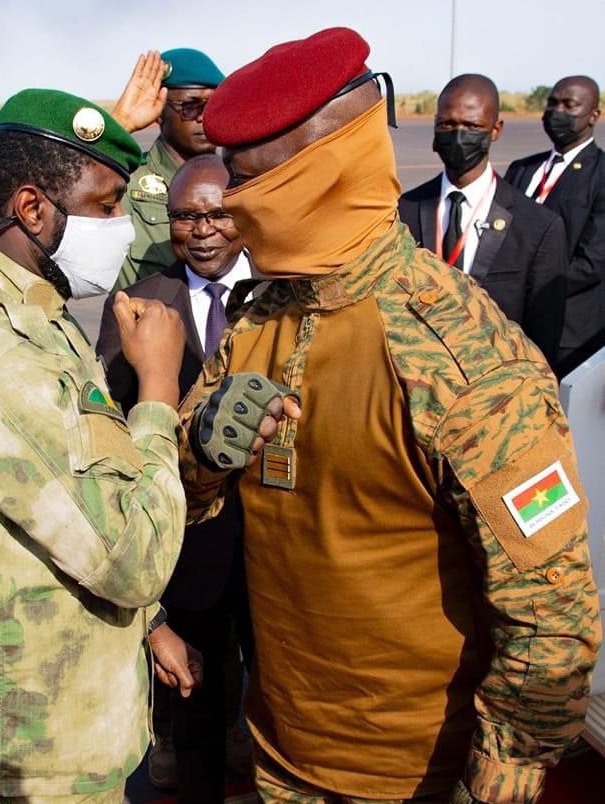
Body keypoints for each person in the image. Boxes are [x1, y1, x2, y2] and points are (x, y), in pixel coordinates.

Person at [176, 27, 601, 804]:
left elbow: (551, 610)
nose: (228, 205)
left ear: (308, 175)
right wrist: (203, 447)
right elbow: (187, 490)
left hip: (411, 778)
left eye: (245, 180)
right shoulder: (261, 319)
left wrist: (500, 777)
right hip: (282, 750)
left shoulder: (457, 354)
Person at [0, 73, 204, 803]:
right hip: (32, 756)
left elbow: (74, 494)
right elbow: (133, 561)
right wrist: (157, 394)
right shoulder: (1, 361)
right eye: (105, 206)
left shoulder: (35, 312)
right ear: (31, 207)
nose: (122, 225)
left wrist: (146, 626)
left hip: (62, 716)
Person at [97, 154, 254, 803]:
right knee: (194, 705)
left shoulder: (287, 293)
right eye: (187, 216)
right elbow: (113, 420)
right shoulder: (139, 304)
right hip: (186, 548)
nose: (203, 229)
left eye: (218, 213)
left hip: (281, 543)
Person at [398, 74, 568, 367]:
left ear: (495, 129)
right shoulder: (403, 212)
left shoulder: (538, 228)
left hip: (492, 398)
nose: (459, 135)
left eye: (472, 126)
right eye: (447, 125)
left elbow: (542, 345)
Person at [505, 76, 604, 378]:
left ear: (593, 115)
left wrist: (528, 289)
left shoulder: (601, 175)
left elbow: (593, 262)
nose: (556, 112)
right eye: (552, 103)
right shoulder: (522, 169)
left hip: (569, 336)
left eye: (569, 105)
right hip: (510, 327)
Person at [116, 47, 225, 290]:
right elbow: (60, 189)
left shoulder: (239, 181)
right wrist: (120, 124)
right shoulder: (124, 180)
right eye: (190, 107)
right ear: (159, 112)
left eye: (213, 105)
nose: (203, 117)